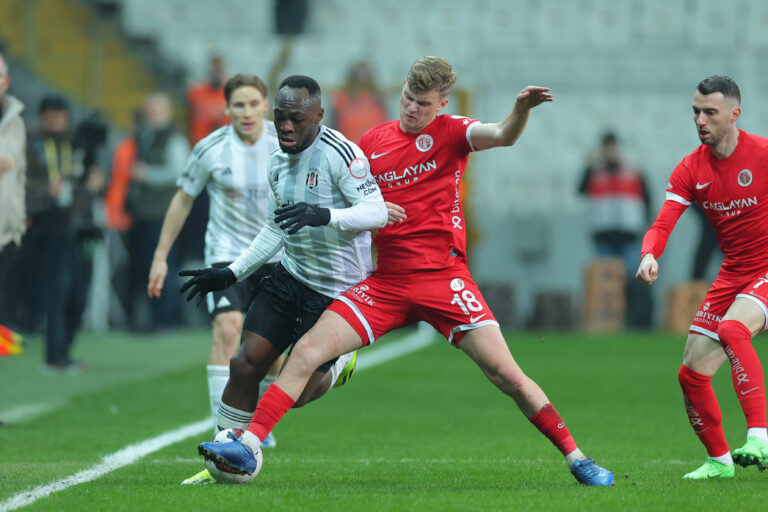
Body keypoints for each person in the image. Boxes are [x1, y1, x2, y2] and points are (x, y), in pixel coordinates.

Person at [196, 56, 614, 486]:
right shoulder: (372, 141)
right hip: (388, 282)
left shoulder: (453, 132)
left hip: (444, 279)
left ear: (441, 104)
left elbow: (503, 134)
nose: (412, 108)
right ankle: (248, 447)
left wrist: (521, 109)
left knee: (506, 375)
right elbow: (358, 203)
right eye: (408, 98)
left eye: (423, 103)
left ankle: (578, 458)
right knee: (304, 352)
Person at [179, 75, 387, 484]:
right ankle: (223, 454)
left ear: (318, 115)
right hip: (289, 276)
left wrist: (325, 215)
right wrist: (230, 273)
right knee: (244, 364)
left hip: (335, 291)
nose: (286, 127)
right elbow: (274, 229)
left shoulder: (342, 155)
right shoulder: (277, 161)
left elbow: (377, 211)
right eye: (280, 118)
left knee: (298, 392)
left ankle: (340, 363)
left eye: (297, 119)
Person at [635, 75, 768, 479]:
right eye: (695, 111)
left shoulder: (762, 154)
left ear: (735, 114)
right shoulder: (690, 169)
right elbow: (663, 222)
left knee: (732, 330)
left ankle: (760, 436)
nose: (700, 120)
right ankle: (719, 462)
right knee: (691, 374)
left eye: (710, 112)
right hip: (733, 272)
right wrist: (649, 254)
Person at [147, 74, 283, 460]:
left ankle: (259, 426)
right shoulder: (210, 148)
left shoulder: (285, 143)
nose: (246, 112)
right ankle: (224, 430)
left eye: (253, 104)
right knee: (227, 330)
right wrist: (160, 256)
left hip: (275, 256)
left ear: (265, 105)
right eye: (238, 105)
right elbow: (183, 199)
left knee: (272, 351)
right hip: (227, 257)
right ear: (226, 109)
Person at [22, 95, 104, 373]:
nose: (58, 121)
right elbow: (21, 182)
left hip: (84, 227)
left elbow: (91, 177)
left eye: (61, 116)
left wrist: (97, 181)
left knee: (81, 294)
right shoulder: (32, 146)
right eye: (52, 116)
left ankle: (65, 351)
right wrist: (46, 190)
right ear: (43, 117)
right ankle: (54, 356)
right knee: (58, 293)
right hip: (51, 226)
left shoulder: (78, 144)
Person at [126, 92, 189, 332]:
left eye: (154, 110)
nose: (150, 115)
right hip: (144, 214)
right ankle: (151, 320)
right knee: (145, 266)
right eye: (149, 110)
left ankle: (164, 321)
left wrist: (147, 174)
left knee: (163, 266)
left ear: (167, 112)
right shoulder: (145, 135)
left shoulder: (175, 139)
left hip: (164, 214)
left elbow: (179, 173)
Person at [578, 131, 653, 328]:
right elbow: (580, 189)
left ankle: (633, 320)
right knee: (606, 281)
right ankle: (607, 321)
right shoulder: (594, 171)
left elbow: (647, 199)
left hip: (628, 234)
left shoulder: (632, 169)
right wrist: (589, 166)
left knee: (632, 279)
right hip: (603, 234)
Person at [0, 52, 26, 336]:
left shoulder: (15, 121)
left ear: (6, 81)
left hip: (6, 231)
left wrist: (19, 219)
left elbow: (19, 174)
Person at [330, 61, 388, 144]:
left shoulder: (379, 100)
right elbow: (333, 126)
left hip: (373, 147)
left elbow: (386, 127)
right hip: (349, 147)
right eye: (358, 81)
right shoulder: (342, 99)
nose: (362, 86)